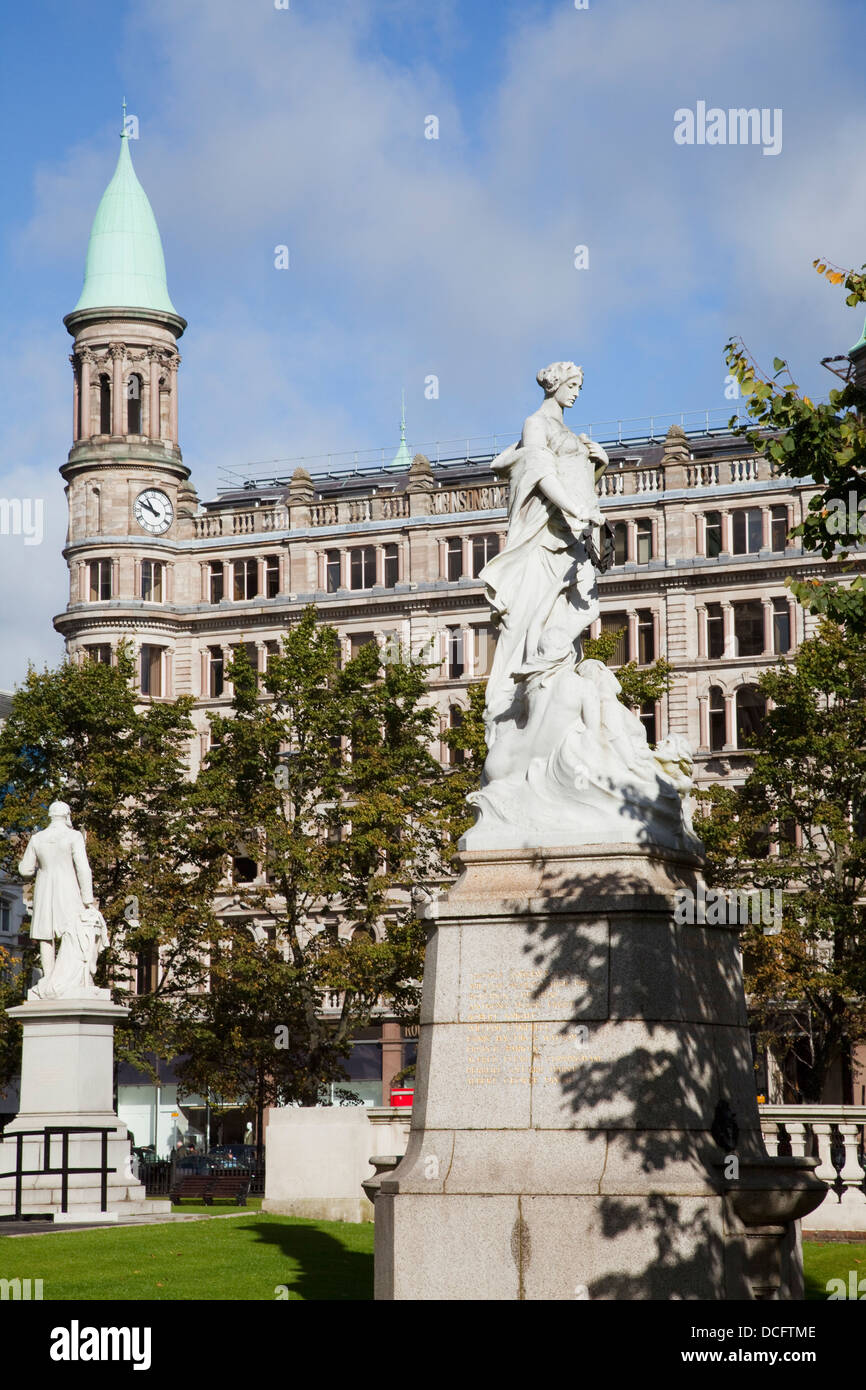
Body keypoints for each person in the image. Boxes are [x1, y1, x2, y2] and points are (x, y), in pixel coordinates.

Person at [479, 362, 608, 742]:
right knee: (528, 617)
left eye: (580, 387)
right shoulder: (535, 423)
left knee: (585, 605)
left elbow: (575, 478)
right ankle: (523, 690)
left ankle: (551, 674)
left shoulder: (567, 430)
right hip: (543, 538)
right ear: (553, 385)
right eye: (572, 385)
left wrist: (599, 466)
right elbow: (538, 471)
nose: (576, 393)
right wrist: (574, 507)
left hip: (571, 536)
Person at [18, 801, 109, 1000]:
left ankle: (50, 978)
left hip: (44, 888)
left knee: (45, 935)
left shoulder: (37, 838)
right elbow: (83, 869)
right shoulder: (73, 836)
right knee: (71, 933)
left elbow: (25, 869)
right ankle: (70, 978)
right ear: (67, 816)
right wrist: (88, 900)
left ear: (50, 816)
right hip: (68, 889)